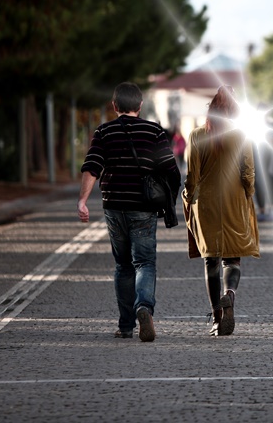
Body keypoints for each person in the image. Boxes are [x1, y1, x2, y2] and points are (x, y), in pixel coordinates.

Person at [77, 82, 181, 342]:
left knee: (123, 265)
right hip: (143, 207)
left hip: (113, 206)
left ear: (115, 106)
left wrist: (82, 201)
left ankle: (126, 326)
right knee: (144, 262)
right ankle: (144, 307)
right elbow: (171, 170)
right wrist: (170, 203)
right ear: (140, 106)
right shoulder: (154, 131)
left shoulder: (104, 132)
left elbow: (92, 167)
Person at [182, 86, 259, 337]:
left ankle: (216, 316)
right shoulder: (242, 136)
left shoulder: (196, 135)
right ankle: (230, 295)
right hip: (235, 200)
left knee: (211, 260)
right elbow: (248, 173)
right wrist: (248, 194)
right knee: (233, 257)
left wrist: (187, 196)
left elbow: (192, 175)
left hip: (206, 205)